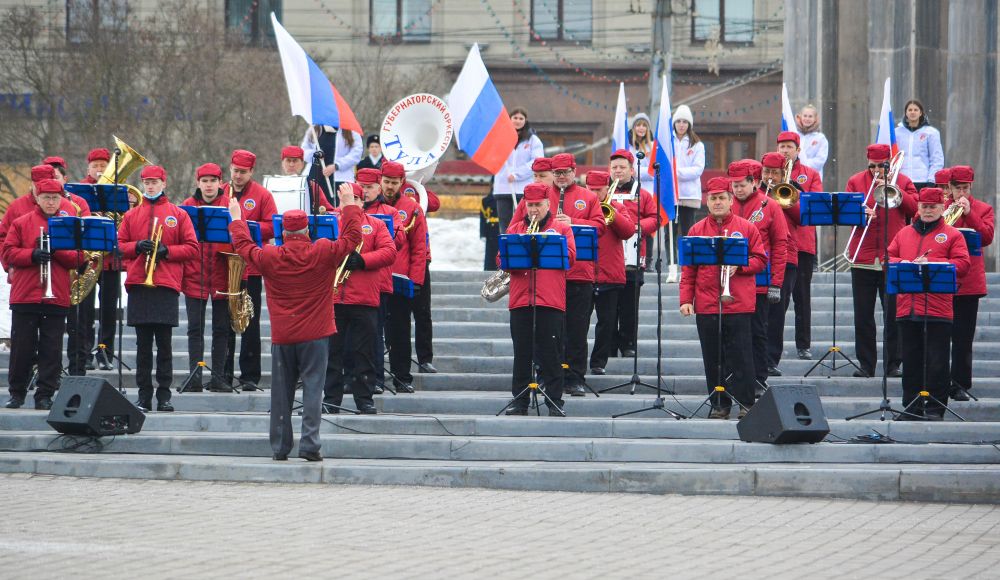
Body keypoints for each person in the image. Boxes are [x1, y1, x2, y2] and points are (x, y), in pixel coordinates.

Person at [229, 188, 363, 461]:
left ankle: (280, 447)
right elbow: (352, 238)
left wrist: (237, 219)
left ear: (283, 233)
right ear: (306, 231)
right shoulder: (323, 251)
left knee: (281, 394)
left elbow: (243, 246)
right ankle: (310, 445)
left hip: (283, 335)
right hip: (316, 334)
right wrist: (348, 205)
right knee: (313, 390)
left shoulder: (269, 256)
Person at [513, 153, 604, 396]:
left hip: (578, 273)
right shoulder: (540, 196)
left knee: (577, 329)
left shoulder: (587, 196)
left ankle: (574, 377)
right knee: (547, 333)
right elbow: (514, 228)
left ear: (575, 171)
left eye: (566, 172)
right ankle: (545, 376)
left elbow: (601, 227)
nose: (561, 176)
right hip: (544, 278)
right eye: (557, 172)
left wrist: (571, 222)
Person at [679, 177, 767, 420]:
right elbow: (688, 270)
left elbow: (761, 258)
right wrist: (686, 299)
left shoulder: (747, 227)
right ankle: (719, 404)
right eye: (713, 198)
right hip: (707, 304)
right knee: (713, 357)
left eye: (722, 198)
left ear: (730, 201)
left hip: (738, 302)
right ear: (707, 202)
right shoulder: (696, 230)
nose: (717, 202)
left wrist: (742, 266)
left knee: (741, 356)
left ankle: (746, 403)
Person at [117, 165, 199, 412]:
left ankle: (164, 395)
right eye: (146, 182)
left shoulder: (178, 214)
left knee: (164, 345)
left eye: (154, 182)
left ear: (164, 183)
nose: (150, 186)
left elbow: (192, 248)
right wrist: (136, 247)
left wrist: (167, 251)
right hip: (140, 285)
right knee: (142, 346)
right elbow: (119, 245)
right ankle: (143, 396)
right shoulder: (131, 215)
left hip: (165, 285)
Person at [888, 187, 969, 420]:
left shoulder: (953, 234)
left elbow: (963, 264)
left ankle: (935, 408)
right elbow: (889, 257)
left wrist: (931, 262)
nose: (928, 210)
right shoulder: (903, 233)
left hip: (938, 309)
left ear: (942, 208)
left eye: (933, 207)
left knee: (937, 361)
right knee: (911, 361)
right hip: (908, 307)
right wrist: (903, 261)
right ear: (918, 207)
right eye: (924, 206)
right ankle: (911, 407)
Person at [1, 179, 81, 410]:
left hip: (55, 295)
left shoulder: (68, 225)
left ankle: (45, 394)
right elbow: (8, 253)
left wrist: (56, 251)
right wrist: (32, 255)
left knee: (51, 349)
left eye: (55, 198)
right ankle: (17, 393)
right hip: (25, 295)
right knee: (21, 348)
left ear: (61, 200)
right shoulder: (21, 222)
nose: (50, 202)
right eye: (46, 197)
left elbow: (78, 258)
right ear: (37, 197)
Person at [844, 144, 919, 378]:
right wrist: (859, 213)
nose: (877, 171)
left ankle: (893, 364)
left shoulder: (903, 180)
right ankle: (866, 365)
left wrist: (893, 187)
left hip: (893, 257)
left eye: (881, 166)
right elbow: (845, 213)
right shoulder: (855, 181)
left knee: (894, 315)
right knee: (863, 316)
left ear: (889, 163)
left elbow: (914, 209)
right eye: (872, 166)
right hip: (863, 257)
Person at [323, 183, 397, 414]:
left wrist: (363, 261)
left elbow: (390, 251)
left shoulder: (375, 224)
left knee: (363, 353)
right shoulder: (331, 223)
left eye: (354, 198)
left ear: (362, 201)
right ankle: (331, 399)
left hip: (364, 298)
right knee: (331, 353)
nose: (350, 202)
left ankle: (364, 399)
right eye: (346, 198)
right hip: (332, 298)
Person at [504, 182, 576, 416]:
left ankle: (555, 401)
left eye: (538, 205)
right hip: (521, 300)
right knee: (521, 353)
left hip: (549, 300)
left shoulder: (561, 229)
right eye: (530, 205)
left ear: (548, 204)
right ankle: (520, 401)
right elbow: (501, 258)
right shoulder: (515, 229)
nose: (534, 210)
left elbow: (571, 258)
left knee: (550, 352)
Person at [728, 160, 787, 397]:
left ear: (754, 182)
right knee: (733, 333)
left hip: (760, 281)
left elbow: (781, 244)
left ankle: (759, 379)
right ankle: (736, 377)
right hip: (731, 281)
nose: (737, 189)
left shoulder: (770, 205)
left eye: (742, 185)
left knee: (758, 332)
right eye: (734, 185)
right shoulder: (726, 204)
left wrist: (776, 282)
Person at [222, 149, 277, 391]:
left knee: (249, 321)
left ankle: (250, 375)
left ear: (251, 172)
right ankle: (223, 373)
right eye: (235, 171)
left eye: (243, 172)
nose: (238, 176)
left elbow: (272, 225)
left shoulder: (263, 195)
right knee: (225, 321)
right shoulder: (222, 191)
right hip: (224, 263)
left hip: (251, 266)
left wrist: (243, 226)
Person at [180, 163, 232, 392]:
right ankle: (195, 375)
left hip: (222, 275)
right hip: (195, 274)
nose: (209, 185)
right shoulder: (186, 208)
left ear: (220, 183)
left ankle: (218, 377)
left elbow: (241, 236)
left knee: (221, 329)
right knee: (195, 329)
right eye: (205, 181)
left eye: (213, 181)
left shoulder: (231, 205)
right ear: (198, 182)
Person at [944, 165, 994, 401]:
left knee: (964, 336)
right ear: (950, 188)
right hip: (943, 280)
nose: (962, 193)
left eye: (965, 188)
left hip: (970, 282)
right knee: (941, 335)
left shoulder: (983, 209)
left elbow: (986, 237)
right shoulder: (941, 208)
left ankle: (960, 384)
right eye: (958, 188)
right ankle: (939, 381)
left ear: (970, 187)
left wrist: (970, 213)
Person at [774, 132, 823, 365]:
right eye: (781, 146)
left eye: (789, 147)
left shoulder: (810, 174)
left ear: (798, 149)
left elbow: (815, 204)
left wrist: (793, 188)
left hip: (802, 243)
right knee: (779, 299)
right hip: (777, 243)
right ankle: (775, 344)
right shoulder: (771, 173)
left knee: (802, 297)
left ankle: (803, 345)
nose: (785, 151)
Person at [379, 161, 428, 393]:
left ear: (402, 183)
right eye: (386, 182)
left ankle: (402, 376)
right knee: (374, 331)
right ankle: (375, 375)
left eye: (394, 183)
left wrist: (416, 280)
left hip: (400, 278)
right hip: (376, 279)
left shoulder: (413, 208)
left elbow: (419, 248)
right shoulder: (371, 205)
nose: (389, 187)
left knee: (400, 330)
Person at [358, 168, 406, 395]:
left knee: (374, 332)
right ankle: (350, 376)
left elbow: (398, 241)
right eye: (362, 187)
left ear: (378, 188)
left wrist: (379, 228)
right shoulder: (345, 212)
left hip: (378, 282)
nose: (365, 192)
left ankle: (375, 377)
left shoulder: (390, 212)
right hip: (349, 285)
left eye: (369, 187)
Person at [608, 150, 659, 358]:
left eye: (622, 167)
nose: (618, 171)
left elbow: (655, 219)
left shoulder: (644, 194)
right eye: (614, 168)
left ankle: (628, 343)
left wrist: (638, 226)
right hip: (608, 259)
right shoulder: (603, 192)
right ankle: (609, 345)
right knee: (609, 307)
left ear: (631, 170)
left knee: (630, 304)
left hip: (634, 257)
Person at [584, 169, 634, 375]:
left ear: (607, 188)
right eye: (591, 189)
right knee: (579, 322)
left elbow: (629, 231)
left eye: (599, 189)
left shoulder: (618, 207)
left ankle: (598, 363)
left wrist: (610, 212)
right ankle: (574, 361)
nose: (595, 194)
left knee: (607, 323)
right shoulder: (581, 207)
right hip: (585, 274)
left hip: (610, 274)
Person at [81, 147, 123, 371]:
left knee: (109, 309)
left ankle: (105, 351)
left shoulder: (117, 190)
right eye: (95, 165)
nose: (99, 170)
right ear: (88, 167)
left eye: (103, 165)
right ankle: (84, 351)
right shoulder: (80, 191)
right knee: (85, 309)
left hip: (111, 260)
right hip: (88, 259)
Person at [494, 108, 544, 235]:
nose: (518, 121)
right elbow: (493, 157)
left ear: (525, 121)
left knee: (524, 222)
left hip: (524, 189)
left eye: (521, 118)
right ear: (509, 119)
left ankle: (523, 249)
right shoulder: (500, 138)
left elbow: (537, 161)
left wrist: (517, 175)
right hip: (503, 187)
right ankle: (506, 250)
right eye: (515, 118)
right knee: (504, 223)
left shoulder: (532, 140)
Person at [671, 104, 706, 254]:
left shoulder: (697, 144)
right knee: (669, 233)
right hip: (671, 195)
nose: (681, 125)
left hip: (689, 194)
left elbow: (697, 169)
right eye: (678, 121)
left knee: (688, 230)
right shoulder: (667, 141)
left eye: (684, 122)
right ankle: (672, 264)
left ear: (689, 124)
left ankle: (688, 260)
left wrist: (675, 173)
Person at [302, 125, 364, 200]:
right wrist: (315, 154)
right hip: (314, 177)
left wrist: (337, 165)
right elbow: (304, 151)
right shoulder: (314, 129)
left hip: (341, 180)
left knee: (338, 208)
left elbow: (356, 154)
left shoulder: (351, 131)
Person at [895, 99, 944, 189]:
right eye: (910, 110)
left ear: (921, 113)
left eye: (916, 110)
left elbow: (937, 159)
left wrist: (931, 180)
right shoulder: (896, 132)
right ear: (906, 113)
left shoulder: (931, 132)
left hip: (922, 180)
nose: (912, 112)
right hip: (901, 180)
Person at [280, 145, 335, 212]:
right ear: (282, 163)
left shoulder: (311, 186)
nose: (291, 164)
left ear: (302, 163)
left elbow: (328, 210)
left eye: (295, 161)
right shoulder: (274, 185)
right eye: (288, 161)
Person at [795, 105, 829, 179]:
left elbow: (820, 159)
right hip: (795, 176)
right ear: (800, 117)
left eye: (810, 116)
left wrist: (804, 164)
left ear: (815, 119)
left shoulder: (820, 138)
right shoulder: (794, 134)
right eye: (805, 116)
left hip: (813, 177)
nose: (807, 119)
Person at [628, 112, 655, 191]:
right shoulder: (628, 146)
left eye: (644, 125)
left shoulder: (652, 146)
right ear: (634, 127)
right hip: (631, 189)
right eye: (638, 125)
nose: (641, 128)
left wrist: (636, 172)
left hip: (649, 190)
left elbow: (653, 171)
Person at [481, 191, 499, 271]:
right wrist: (483, 233)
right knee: (490, 254)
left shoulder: (506, 198)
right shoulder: (486, 200)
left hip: (502, 228)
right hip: (490, 230)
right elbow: (483, 218)